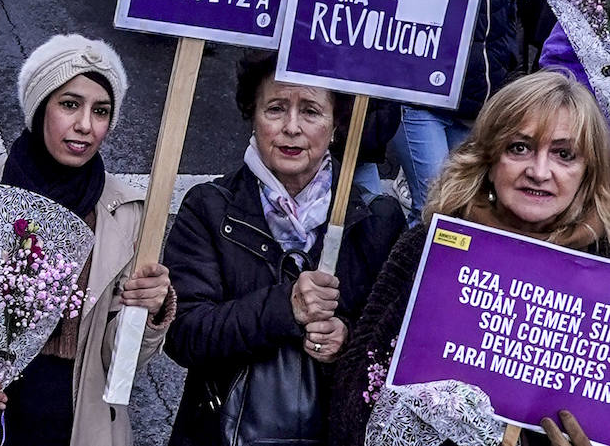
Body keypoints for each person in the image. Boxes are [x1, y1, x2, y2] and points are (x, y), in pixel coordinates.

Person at [332, 72, 610, 445]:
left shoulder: (603, 277)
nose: (539, 172)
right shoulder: (430, 249)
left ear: (588, 173)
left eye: (564, 154)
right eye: (520, 148)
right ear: (489, 157)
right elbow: (354, 393)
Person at [0, 35, 174, 446]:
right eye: (69, 104)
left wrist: (148, 314)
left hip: (77, 423)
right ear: (40, 107)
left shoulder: (128, 213)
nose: (85, 125)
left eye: (101, 111)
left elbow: (121, 362)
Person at [164, 56, 404, 446]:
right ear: (253, 115)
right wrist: (285, 307)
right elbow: (185, 334)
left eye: (310, 111)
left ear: (336, 124)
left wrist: (347, 340)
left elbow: (395, 350)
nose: (291, 128)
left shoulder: (377, 220)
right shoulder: (208, 207)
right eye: (275, 108)